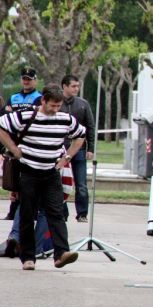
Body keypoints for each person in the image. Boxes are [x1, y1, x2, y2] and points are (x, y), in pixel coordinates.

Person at [0, 84, 86, 270]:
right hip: (28, 171)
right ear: (43, 101)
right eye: (52, 106)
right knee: (27, 214)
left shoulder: (66, 119)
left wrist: (67, 157)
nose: (56, 110)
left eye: (58, 106)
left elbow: (81, 135)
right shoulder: (25, 116)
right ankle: (28, 257)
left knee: (56, 212)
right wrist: (13, 149)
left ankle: (61, 253)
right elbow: (1, 126)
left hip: (51, 173)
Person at [3, 67, 42, 220]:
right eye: (24, 79)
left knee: (30, 178)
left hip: (31, 142)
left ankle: (33, 210)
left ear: (35, 80)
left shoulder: (40, 98)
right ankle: (14, 210)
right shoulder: (13, 98)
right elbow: (5, 117)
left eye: (29, 79)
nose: (26, 81)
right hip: (14, 142)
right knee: (14, 177)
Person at [60, 75, 96, 223]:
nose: (76, 89)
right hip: (61, 149)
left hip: (79, 149)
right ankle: (62, 213)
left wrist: (90, 148)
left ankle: (82, 213)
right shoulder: (57, 103)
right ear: (64, 86)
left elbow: (90, 127)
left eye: (77, 86)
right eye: (73, 86)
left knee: (81, 184)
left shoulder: (83, 104)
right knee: (61, 182)